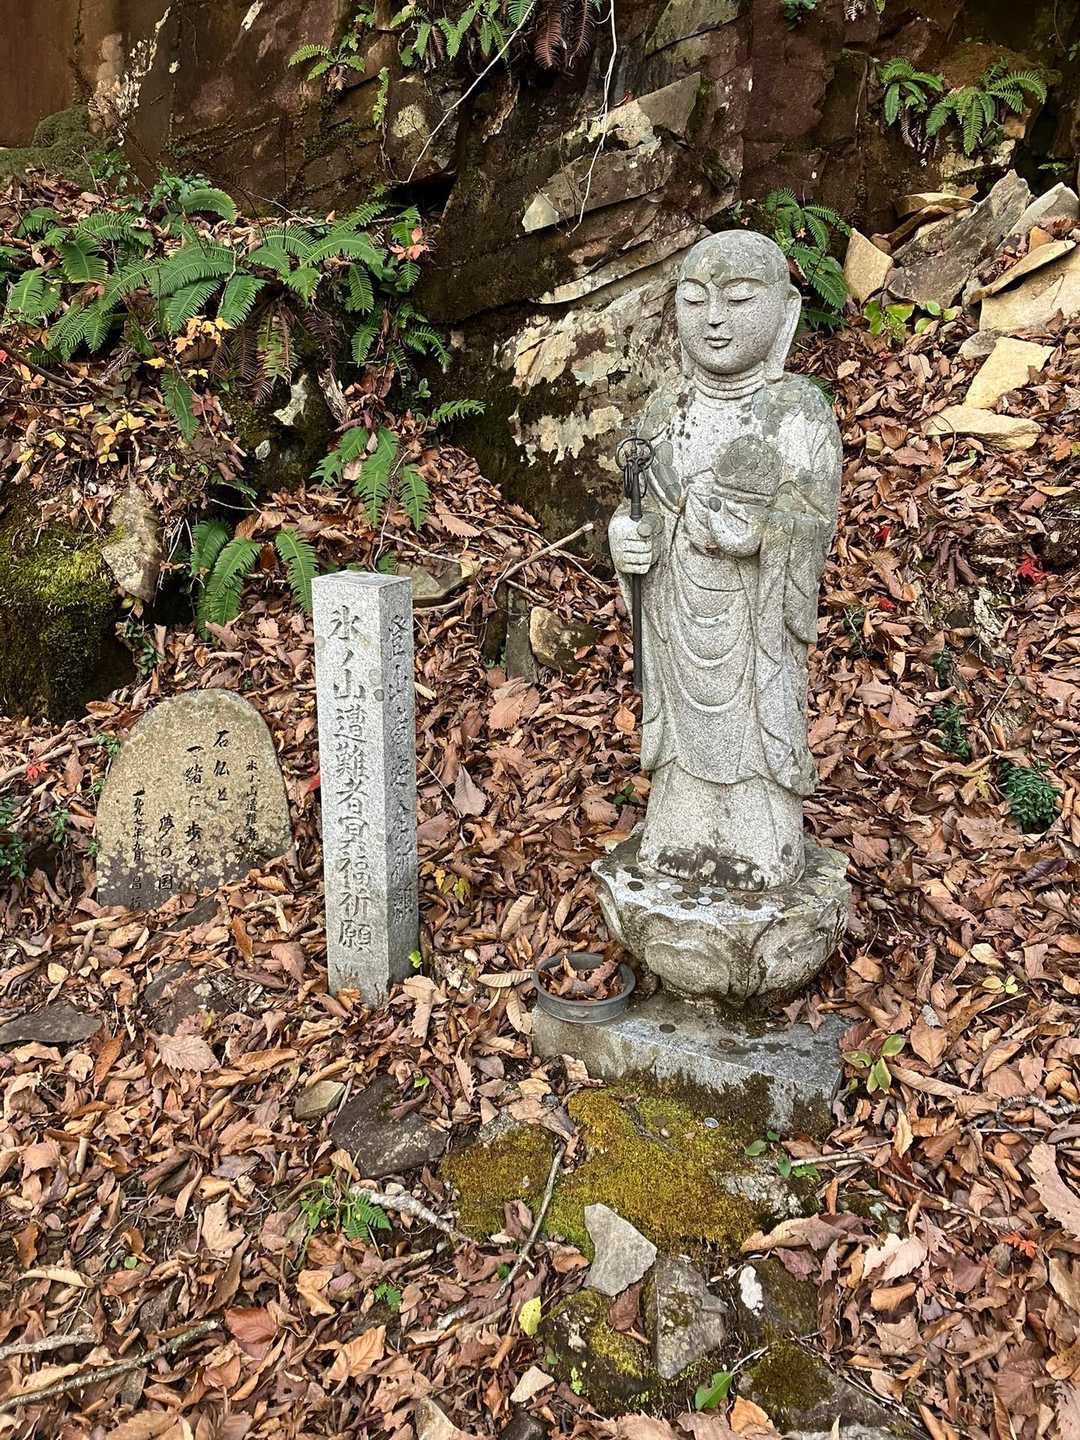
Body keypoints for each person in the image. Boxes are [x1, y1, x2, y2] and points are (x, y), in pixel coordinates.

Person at [608, 230, 843, 891]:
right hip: (677, 619)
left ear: (785, 313)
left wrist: (763, 532)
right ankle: (676, 828)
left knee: (756, 748)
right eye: (694, 300)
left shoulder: (798, 412)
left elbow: (813, 520)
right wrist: (626, 539)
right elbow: (639, 504)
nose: (713, 318)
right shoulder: (666, 406)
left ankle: (761, 838)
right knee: (682, 753)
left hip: (756, 629)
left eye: (738, 300)